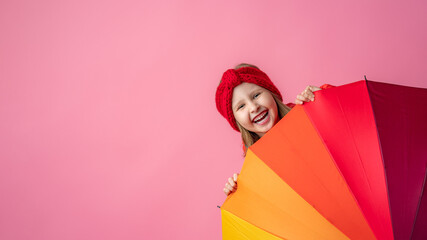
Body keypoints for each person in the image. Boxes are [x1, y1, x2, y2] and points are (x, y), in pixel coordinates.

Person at [215, 63, 333, 196]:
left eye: (256, 95)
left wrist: (325, 100)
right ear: (236, 120)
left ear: (271, 93)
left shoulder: (305, 114)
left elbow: (344, 122)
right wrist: (240, 194)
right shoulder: (255, 164)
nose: (253, 107)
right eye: (241, 106)